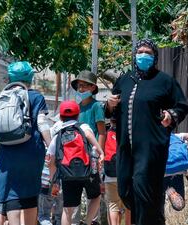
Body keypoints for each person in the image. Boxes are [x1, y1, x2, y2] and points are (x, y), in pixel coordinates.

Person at [106, 39, 188, 225]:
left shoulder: (164, 81)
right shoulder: (124, 80)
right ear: (134, 55)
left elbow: (182, 106)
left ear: (155, 56)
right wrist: (108, 105)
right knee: (125, 191)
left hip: (151, 148)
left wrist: (170, 114)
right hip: (125, 148)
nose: (144, 55)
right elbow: (112, 110)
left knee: (144, 188)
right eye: (140, 51)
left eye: (148, 53)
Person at [0, 61, 52, 225]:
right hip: (32, 152)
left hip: (7, 154)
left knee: (11, 195)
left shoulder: (1, 97)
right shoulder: (36, 96)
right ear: (30, 77)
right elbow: (42, 123)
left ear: (10, 78)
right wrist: (51, 147)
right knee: (31, 193)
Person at [47, 100, 105, 225]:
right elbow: (89, 136)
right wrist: (101, 152)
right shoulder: (83, 127)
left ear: (61, 117)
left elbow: (51, 161)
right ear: (78, 115)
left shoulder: (58, 134)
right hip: (87, 171)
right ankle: (88, 222)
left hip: (67, 174)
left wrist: (54, 181)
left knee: (68, 210)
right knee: (96, 197)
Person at [71, 70, 106, 225]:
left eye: (85, 85)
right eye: (79, 85)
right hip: (77, 155)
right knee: (77, 193)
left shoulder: (96, 106)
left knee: (94, 193)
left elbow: (102, 132)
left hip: (92, 154)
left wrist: (100, 154)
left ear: (93, 88)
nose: (81, 89)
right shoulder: (76, 107)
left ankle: (93, 221)